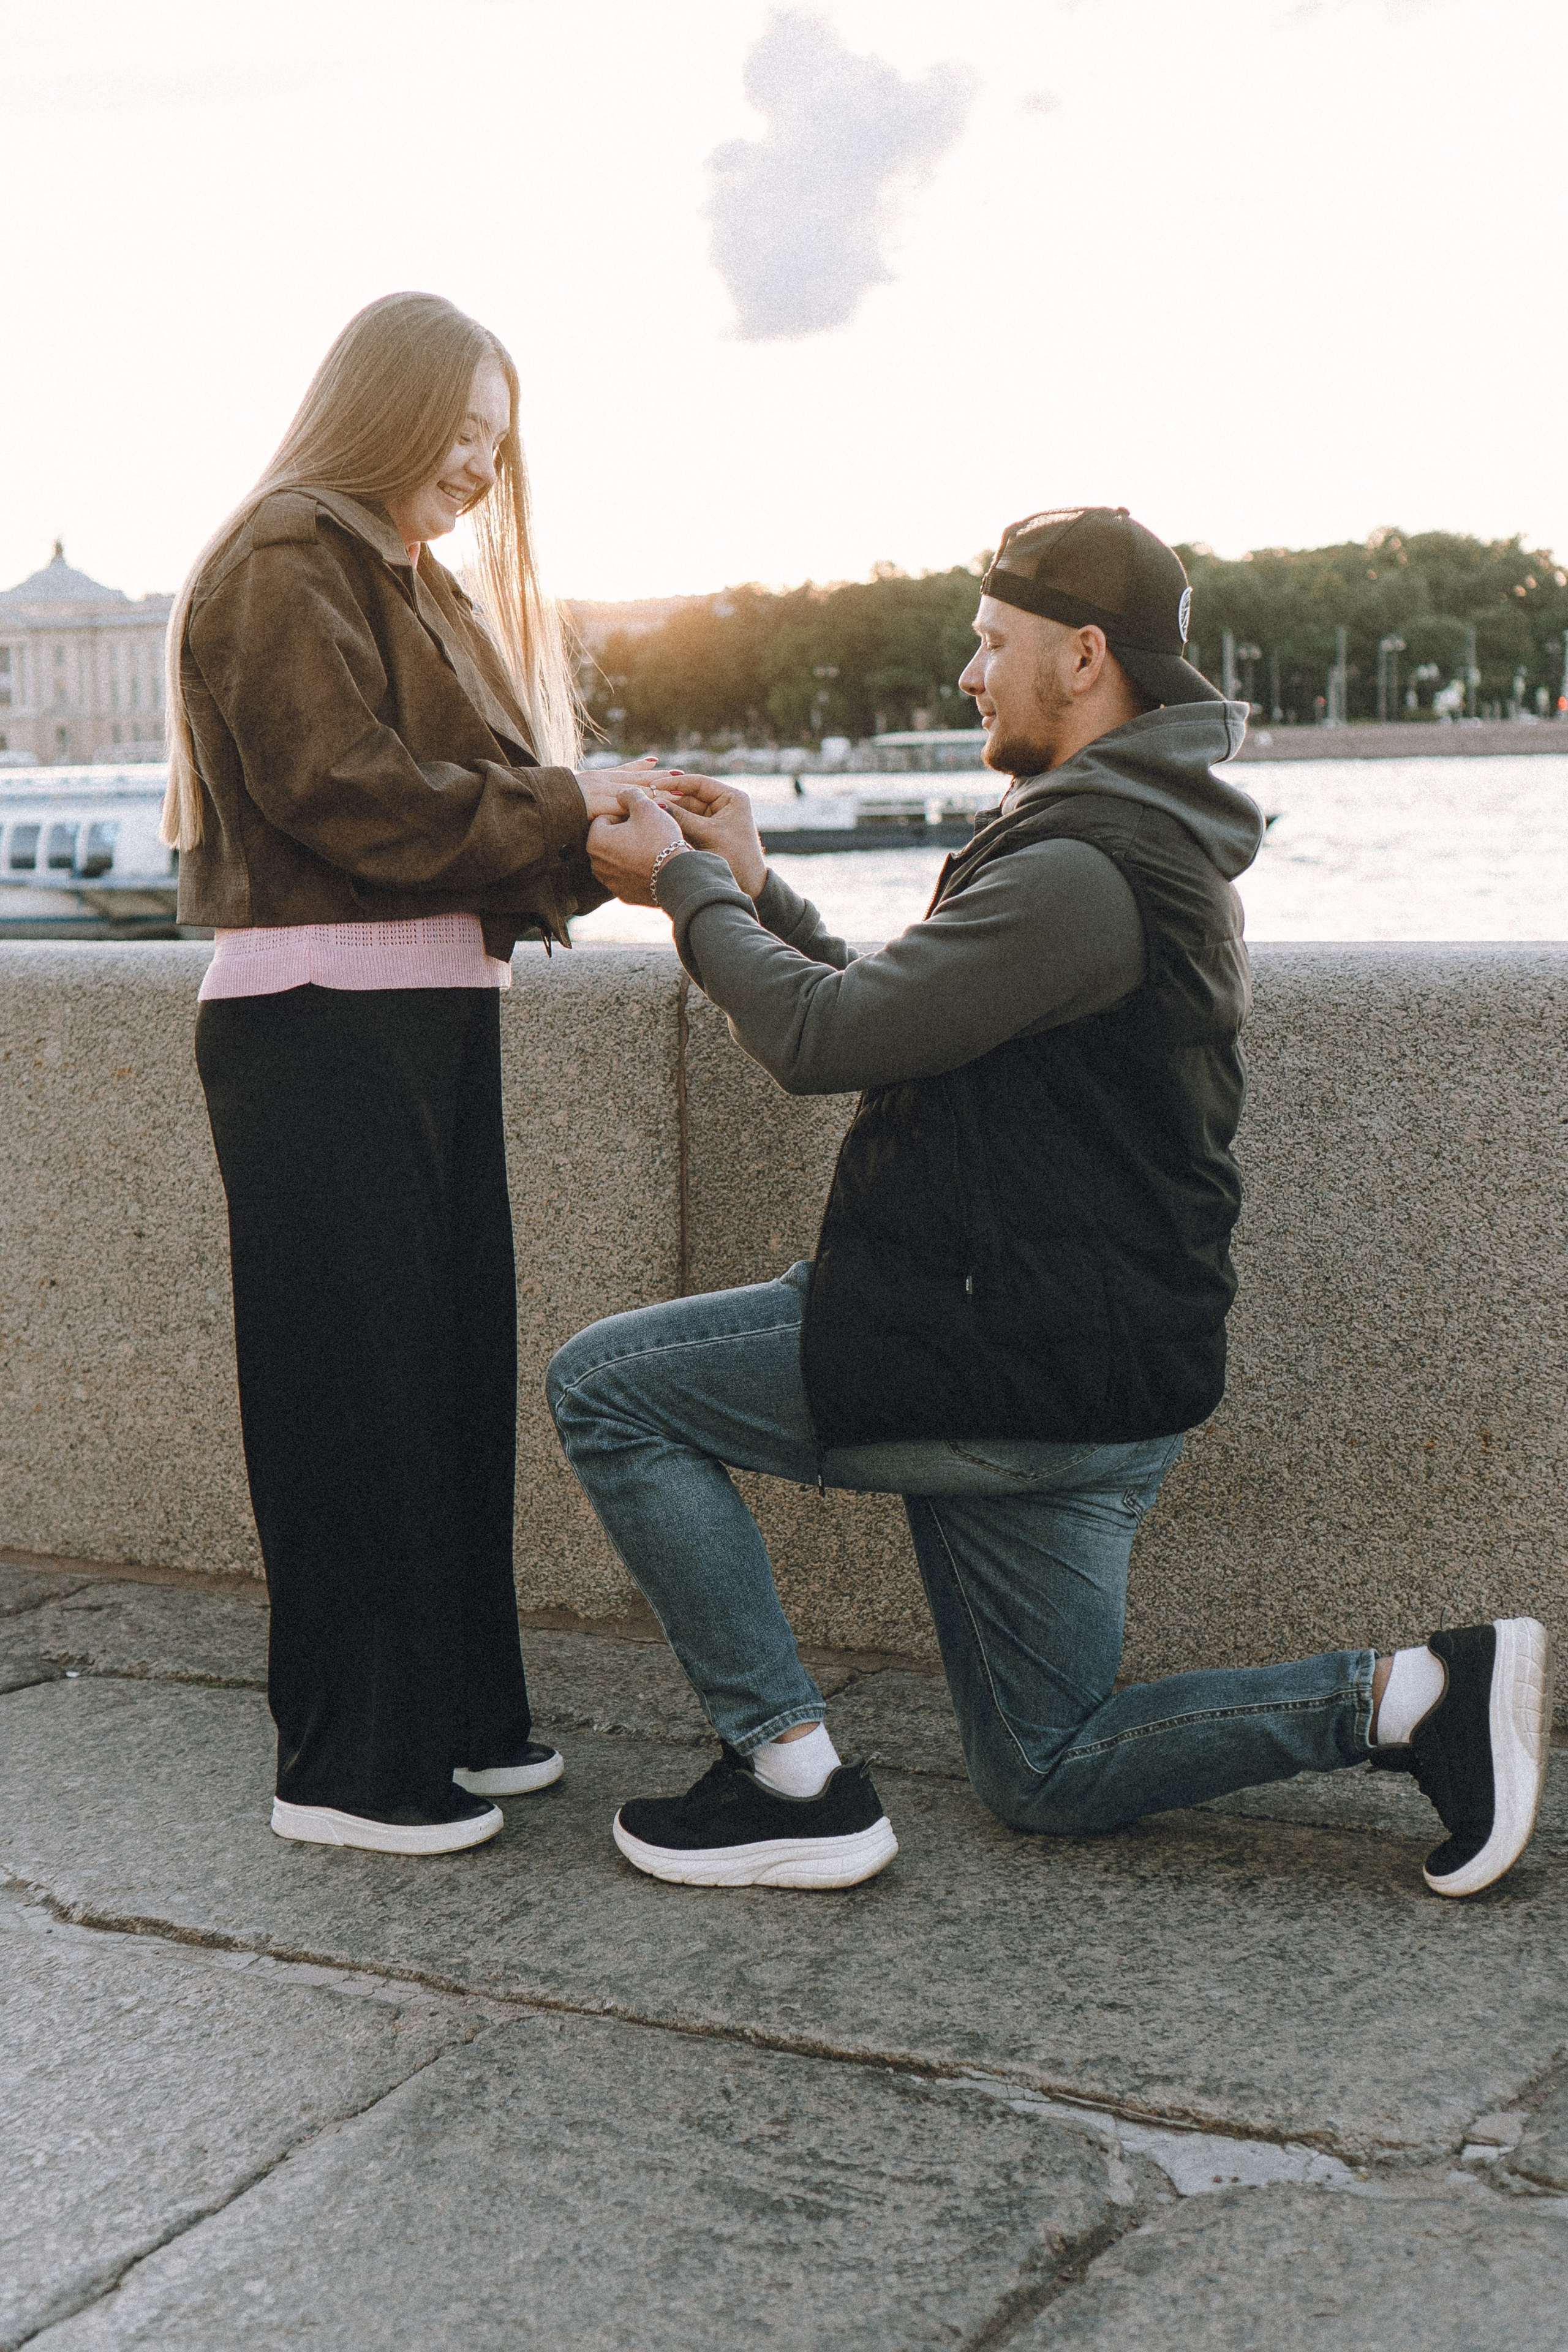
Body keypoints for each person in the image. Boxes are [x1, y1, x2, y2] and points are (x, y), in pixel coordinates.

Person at [549, 505, 1553, 1897]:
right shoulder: (1127, 834)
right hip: (1086, 1359)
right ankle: (1408, 1698)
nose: (966, 673)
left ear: (1081, 655)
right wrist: (752, 890)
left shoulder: (1082, 867)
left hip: (998, 1354)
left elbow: (820, 1044)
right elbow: (886, 1015)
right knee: (1046, 1767)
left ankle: (786, 1776)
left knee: (608, 1390)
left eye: (988, 642)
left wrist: (675, 884)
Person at [167, 292, 662, 1856]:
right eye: (457, 428)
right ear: (378, 406)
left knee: (437, 1388)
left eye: (494, 442)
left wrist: (606, 815)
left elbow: (473, 804)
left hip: (413, 1021)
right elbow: (350, 795)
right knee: (353, 1401)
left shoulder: (391, 567)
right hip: (319, 1031)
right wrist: (571, 807)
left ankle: (449, 1720)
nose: (476, 464)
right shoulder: (284, 556)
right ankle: (346, 1769)